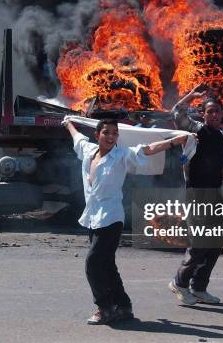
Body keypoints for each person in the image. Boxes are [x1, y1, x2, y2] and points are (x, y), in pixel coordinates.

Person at [64, 117, 193, 325]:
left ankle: (104, 308)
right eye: (106, 132)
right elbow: (77, 138)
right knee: (107, 264)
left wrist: (174, 142)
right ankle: (123, 306)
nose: (111, 136)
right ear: (97, 135)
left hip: (111, 218)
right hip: (93, 217)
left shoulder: (121, 155)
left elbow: (147, 150)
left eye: (115, 133)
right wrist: (68, 123)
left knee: (93, 264)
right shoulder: (89, 151)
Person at [168, 83, 223, 305]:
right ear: (204, 114)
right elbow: (176, 113)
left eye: (217, 111)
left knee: (216, 243)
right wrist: (192, 95)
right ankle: (179, 283)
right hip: (197, 194)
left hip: (216, 194)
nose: (214, 114)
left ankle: (199, 287)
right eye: (210, 111)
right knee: (199, 241)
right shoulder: (195, 130)